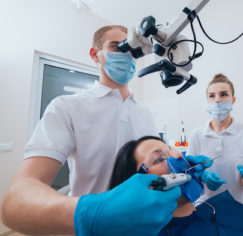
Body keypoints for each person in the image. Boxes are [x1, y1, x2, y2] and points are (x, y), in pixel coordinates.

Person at [1, 25, 180, 235]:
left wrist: (181, 167)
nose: (127, 54)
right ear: (96, 55)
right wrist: (91, 213)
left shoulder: (145, 112)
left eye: (132, 49)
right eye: (118, 46)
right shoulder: (67, 107)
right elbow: (15, 203)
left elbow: (155, 165)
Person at [109, 135, 243, 236]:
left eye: (170, 149)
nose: (178, 157)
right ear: (136, 186)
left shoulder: (221, 209)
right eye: (159, 158)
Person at [187, 73, 243, 207]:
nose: (217, 100)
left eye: (223, 94)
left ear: (233, 100)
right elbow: (189, 175)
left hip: (239, 205)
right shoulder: (197, 134)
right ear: (207, 100)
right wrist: (202, 176)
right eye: (212, 96)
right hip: (205, 205)